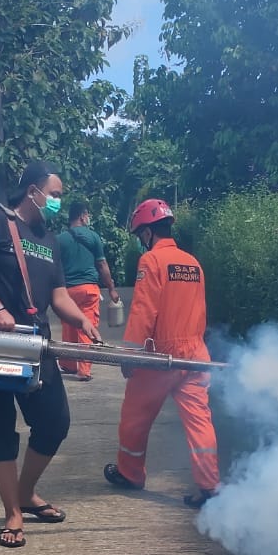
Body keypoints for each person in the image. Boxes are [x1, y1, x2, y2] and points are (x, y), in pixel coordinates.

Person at [0, 162, 104, 548]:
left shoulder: (49, 239)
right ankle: (13, 513)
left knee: (55, 422)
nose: (57, 201)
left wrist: (82, 320)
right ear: (33, 190)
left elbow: (57, 295)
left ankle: (25, 491)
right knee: (1, 428)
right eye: (54, 193)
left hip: (35, 345)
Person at [103, 198, 220, 508]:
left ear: (147, 233)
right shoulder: (192, 262)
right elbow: (199, 311)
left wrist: (131, 354)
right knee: (200, 422)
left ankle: (130, 473)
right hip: (195, 355)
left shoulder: (151, 262)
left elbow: (143, 311)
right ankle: (209, 487)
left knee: (134, 419)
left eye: (141, 235)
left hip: (160, 358)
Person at [54, 201, 121, 380]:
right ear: (83, 216)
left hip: (67, 292)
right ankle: (84, 371)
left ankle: (67, 364)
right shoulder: (93, 237)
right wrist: (112, 289)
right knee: (87, 327)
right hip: (88, 290)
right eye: (87, 215)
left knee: (69, 326)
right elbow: (102, 264)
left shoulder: (60, 239)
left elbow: (55, 267)